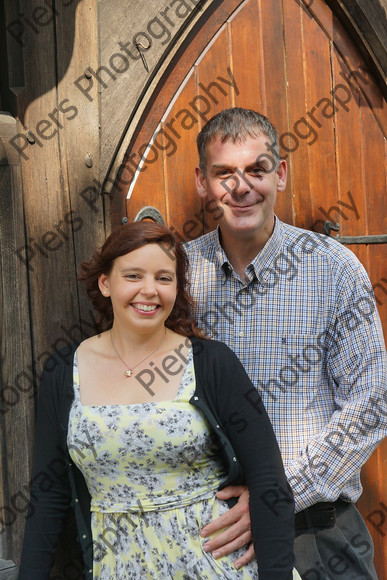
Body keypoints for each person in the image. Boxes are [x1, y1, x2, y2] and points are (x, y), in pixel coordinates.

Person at [19, 221, 299, 579]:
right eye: (133, 276)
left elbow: (268, 481)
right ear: (105, 283)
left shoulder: (212, 364)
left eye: (164, 278)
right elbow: (49, 496)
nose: (149, 291)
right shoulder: (63, 372)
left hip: (218, 566)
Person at [184, 107, 387, 579]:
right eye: (224, 173)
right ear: (201, 182)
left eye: (257, 169)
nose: (241, 186)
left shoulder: (332, 269)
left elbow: (371, 404)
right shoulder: (178, 275)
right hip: (213, 535)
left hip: (316, 534)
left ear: (281, 174)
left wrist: (275, 495)